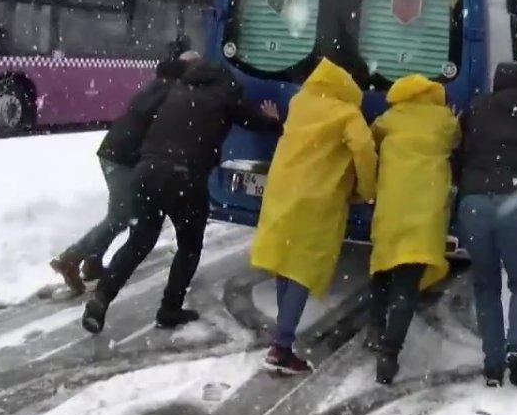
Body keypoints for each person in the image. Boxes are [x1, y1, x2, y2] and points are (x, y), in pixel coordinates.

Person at [81, 54, 280, 333]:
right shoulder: (226, 91)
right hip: (185, 177)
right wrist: (272, 120)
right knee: (189, 246)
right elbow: (253, 121)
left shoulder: (178, 88)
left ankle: (100, 300)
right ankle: (170, 308)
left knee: (139, 241)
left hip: (146, 171)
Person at [250, 57, 378, 375]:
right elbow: (364, 149)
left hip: (283, 190)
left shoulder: (300, 100)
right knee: (303, 270)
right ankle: (281, 346)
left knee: (285, 262)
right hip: (317, 198)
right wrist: (367, 189)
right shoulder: (348, 113)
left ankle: (282, 334)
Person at [49, 52, 189, 293]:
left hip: (117, 153)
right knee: (121, 216)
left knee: (124, 214)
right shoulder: (173, 93)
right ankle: (70, 258)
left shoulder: (159, 85)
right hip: (123, 159)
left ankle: (93, 262)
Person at [456, 62, 517, 388]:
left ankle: (493, 364)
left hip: (475, 204)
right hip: (516, 204)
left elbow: (461, 154)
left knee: (486, 286)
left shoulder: (474, 110)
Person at [366, 74, 460, 385]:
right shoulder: (445, 120)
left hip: (392, 206)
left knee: (382, 270)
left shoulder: (391, 118)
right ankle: (389, 353)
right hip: (425, 212)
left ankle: (375, 330)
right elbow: (456, 139)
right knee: (406, 283)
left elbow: (371, 138)